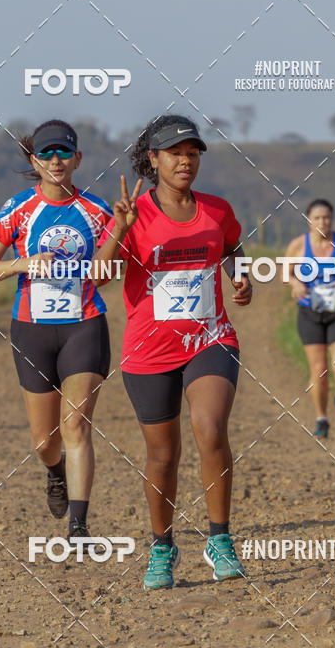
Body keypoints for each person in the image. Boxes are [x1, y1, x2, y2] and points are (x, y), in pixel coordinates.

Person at [94, 114, 253, 590]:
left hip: (210, 338)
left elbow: (232, 246)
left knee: (210, 428)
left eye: (193, 152)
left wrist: (239, 276)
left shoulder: (216, 209)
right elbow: (100, 276)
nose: (186, 161)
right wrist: (120, 228)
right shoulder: (133, 215)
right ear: (153, 160)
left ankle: (220, 539)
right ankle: (162, 548)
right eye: (175, 153)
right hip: (148, 350)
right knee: (162, 455)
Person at [0, 120, 112, 544]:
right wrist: (21, 263)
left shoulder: (98, 210)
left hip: (84, 325)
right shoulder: (17, 208)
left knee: (76, 424)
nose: (56, 161)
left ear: (78, 159)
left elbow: (109, 272)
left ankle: (79, 525)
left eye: (64, 153)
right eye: (47, 154)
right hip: (32, 330)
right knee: (44, 441)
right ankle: (55, 474)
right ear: (35, 160)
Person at [285, 198, 335, 438]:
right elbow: (285, 272)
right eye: (317, 217)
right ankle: (322, 418)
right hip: (310, 313)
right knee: (319, 369)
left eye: (326, 217)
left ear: (332, 219)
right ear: (309, 220)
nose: (322, 222)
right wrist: (296, 282)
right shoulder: (298, 246)